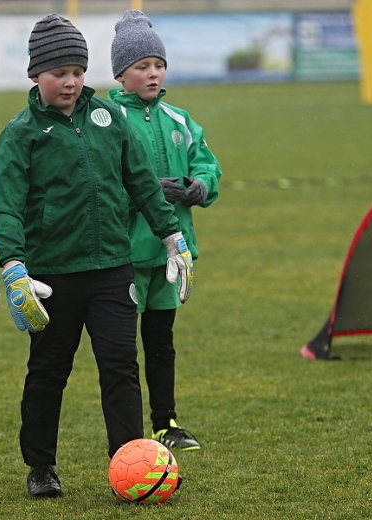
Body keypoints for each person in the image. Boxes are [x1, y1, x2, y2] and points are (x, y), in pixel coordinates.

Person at [0, 14, 193, 498]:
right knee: (48, 372)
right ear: (36, 75)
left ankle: (131, 462)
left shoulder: (109, 118)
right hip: (53, 276)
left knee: (121, 367)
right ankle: (41, 466)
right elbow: (7, 207)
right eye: (59, 72)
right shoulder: (20, 133)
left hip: (112, 270)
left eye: (78, 71)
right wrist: (13, 265)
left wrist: (171, 236)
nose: (71, 82)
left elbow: (140, 181)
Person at [109, 10, 222, 451]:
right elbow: (99, 182)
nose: (152, 73)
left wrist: (198, 186)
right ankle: (128, 432)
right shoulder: (107, 119)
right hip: (124, 255)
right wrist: (145, 189)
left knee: (161, 342)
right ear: (121, 73)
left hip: (171, 255)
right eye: (142, 66)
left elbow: (208, 167)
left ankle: (165, 423)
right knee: (121, 352)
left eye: (158, 64)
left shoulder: (180, 119)